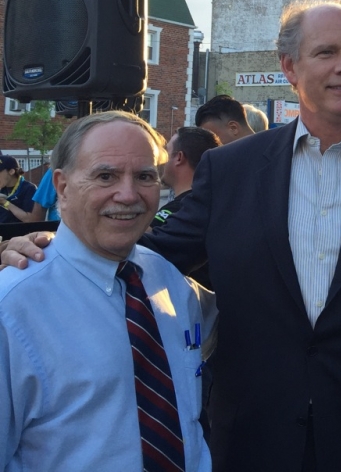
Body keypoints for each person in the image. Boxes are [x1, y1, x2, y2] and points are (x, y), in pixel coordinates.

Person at [2, 0, 341, 472]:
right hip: (251, 443)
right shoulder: (230, 171)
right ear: (289, 66)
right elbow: (137, 250)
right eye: (326, 52)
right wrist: (48, 249)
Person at [0, 111, 213, 470]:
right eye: (105, 176)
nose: (128, 194)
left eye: (144, 176)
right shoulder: (13, 307)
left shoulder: (168, 280)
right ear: (63, 187)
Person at [153, 125, 221, 289]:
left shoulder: (186, 210)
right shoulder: (212, 204)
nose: (161, 161)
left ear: (179, 158)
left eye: (167, 152)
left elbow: (150, 249)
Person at [0, 155, 39, 224]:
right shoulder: (2, 188)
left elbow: (30, 219)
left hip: (21, 233)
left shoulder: (29, 188)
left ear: (11, 171)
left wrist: (5, 202)